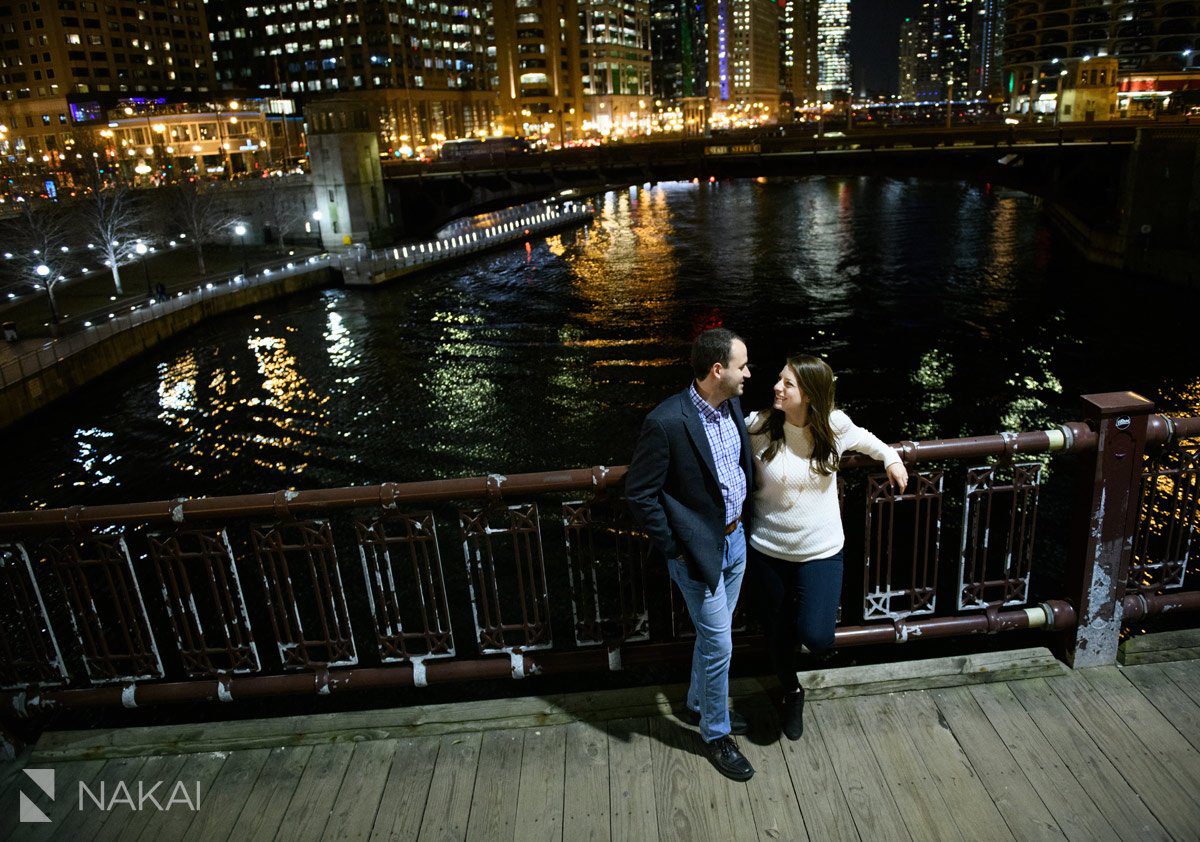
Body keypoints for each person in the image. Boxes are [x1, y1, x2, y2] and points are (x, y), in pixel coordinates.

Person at [746, 353, 908, 740]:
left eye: (788, 383)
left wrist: (892, 458)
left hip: (821, 549)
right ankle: (792, 692)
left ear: (810, 394)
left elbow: (869, 441)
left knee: (817, 636)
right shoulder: (759, 426)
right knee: (777, 635)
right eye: (779, 379)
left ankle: (794, 670)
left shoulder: (834, 426)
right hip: (767, 549)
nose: (776, 387)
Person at [625, 327, 756, 782]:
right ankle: (715, 733)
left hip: (735, 541)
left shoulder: (732, 405)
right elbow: (640, 493)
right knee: (720, 642)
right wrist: (674, 548)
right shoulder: (667, 421)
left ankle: (700, 703)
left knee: (712, 637)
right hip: (695, 554)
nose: (748, 374)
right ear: (717, 370)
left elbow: (738, 468)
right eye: (742, 366)